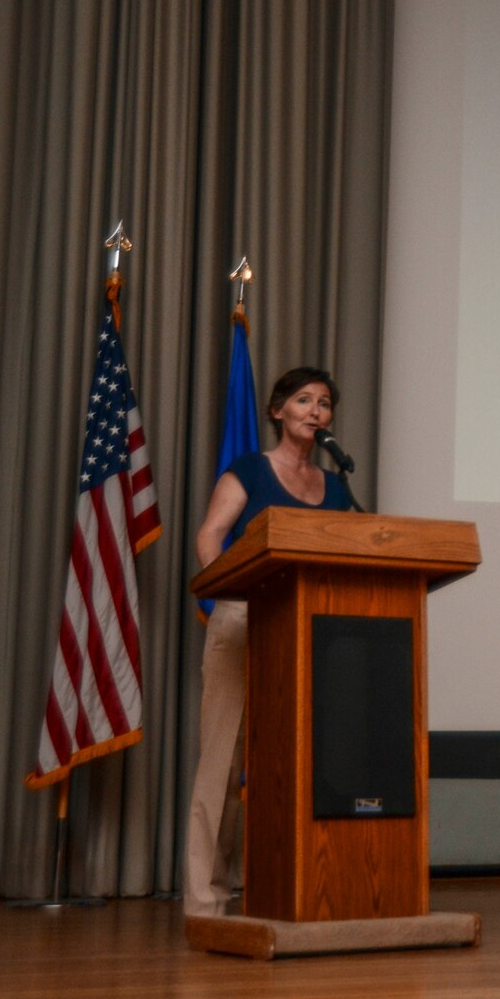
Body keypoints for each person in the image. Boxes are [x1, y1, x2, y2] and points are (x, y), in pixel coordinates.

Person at [184, 366, 353, 918]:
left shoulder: (337, 486)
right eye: (303, 400)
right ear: (278, 410)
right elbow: (210, 535)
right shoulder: (250, 470)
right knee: (223, 763)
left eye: (323, 402)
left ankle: (292, 887)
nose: (315, 410)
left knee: (301, 763)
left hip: (308, 631)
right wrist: (228, 591)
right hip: (243, 621)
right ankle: (206, 901)